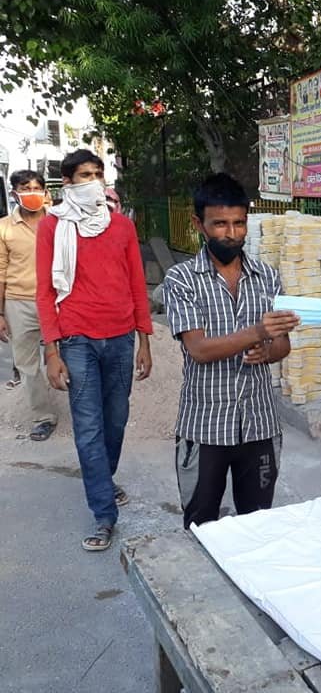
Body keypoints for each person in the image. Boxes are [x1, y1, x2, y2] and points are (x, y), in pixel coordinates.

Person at [162, 173, 299, 529]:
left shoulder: (267, 277)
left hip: (259, 425)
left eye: (239, 223)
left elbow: (282, 344)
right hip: (205, 426)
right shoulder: (181, 279)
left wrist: (266, 351)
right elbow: (198, 349)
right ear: (199, 224)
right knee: (200, 525)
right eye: (220, 224)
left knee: (257, 526)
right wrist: (255, 333)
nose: (231, 233)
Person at [35, 149, 153, 552]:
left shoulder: (120, 227)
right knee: (88, 427)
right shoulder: (53, 228)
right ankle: (104, 513)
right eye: (84, 175)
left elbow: (138, 283)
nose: (93, 182)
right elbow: (45, 290)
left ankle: (104, 478)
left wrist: (145, 341)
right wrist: (52, 351)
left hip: (121, 338)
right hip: (77, 339)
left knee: (116, 421)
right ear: (67, 183)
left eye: (98, 174)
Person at [0, 169, 58, 439]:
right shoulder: (4, 228)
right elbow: (0, 271)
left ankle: (82, 409)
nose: (31, 192)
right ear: (14, 193)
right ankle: (44, 416)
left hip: (57, 300)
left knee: (70, 355)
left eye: (36, 187)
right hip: (18, 302)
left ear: (45, 192)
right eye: (25, 188)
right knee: (27, 363)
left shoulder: (59, 223)